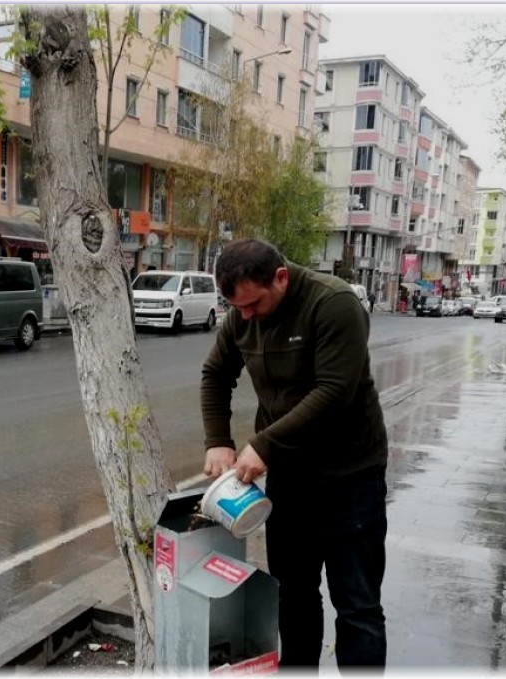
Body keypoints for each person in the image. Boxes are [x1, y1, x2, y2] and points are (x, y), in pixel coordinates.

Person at [200, 238, 388, 671]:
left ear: (280, 277)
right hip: (289, 479)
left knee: (357, 605)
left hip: (350, 477)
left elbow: (334, 392)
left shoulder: (333, 303)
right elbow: (216, 373)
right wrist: (218, 440)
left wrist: (262, 445)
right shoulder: (242, 316)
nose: (245, 316)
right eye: (236, 307)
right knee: (294, 595)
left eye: (253, 304)